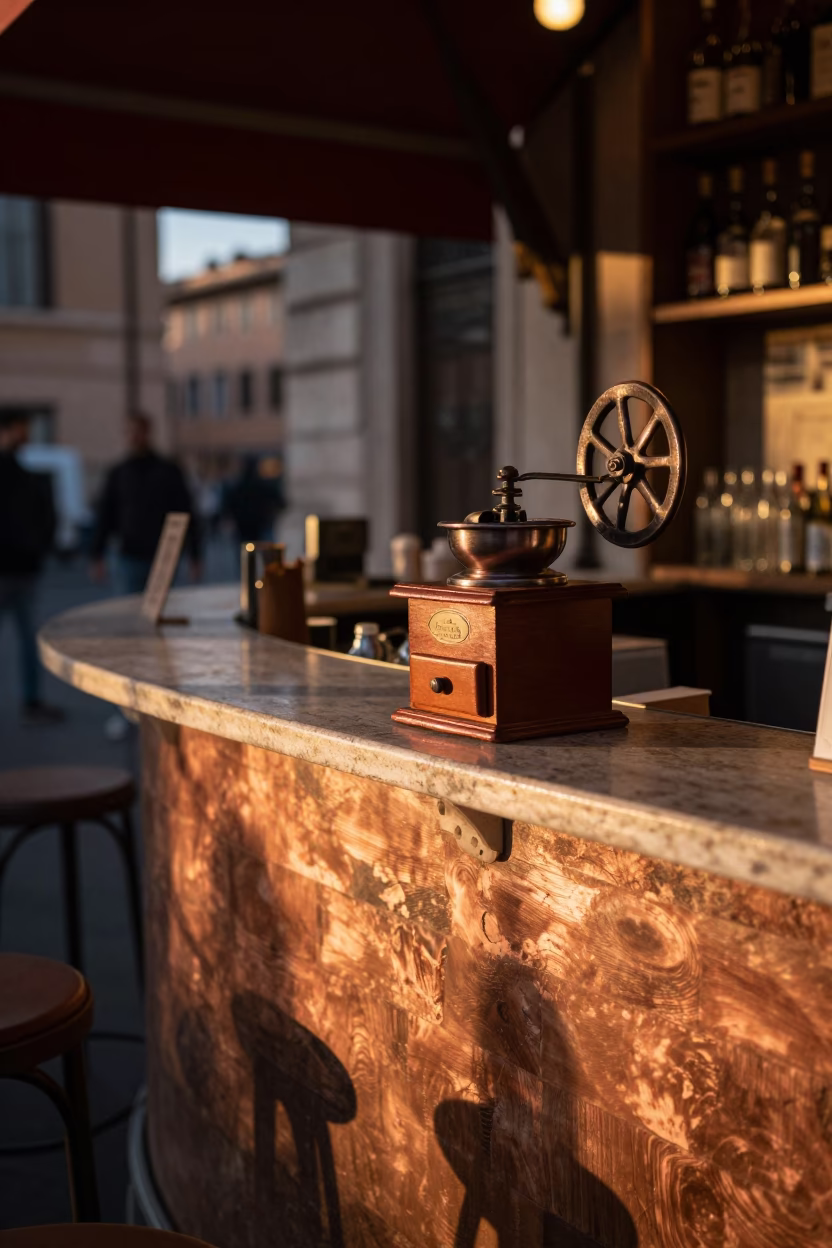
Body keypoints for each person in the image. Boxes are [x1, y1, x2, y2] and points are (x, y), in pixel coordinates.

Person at [0, 410, 64, 724]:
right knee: (27, 639)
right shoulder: (15, 473)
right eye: (20, 429)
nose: (25, 436)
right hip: (12, 568)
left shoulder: (23, 473)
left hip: (23, 570)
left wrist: (40, 544)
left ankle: (32, 701)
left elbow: (43, 514)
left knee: (29, 640)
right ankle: (32, 701)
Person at [91, 412, 202, 592]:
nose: (134, 437)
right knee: (131, 608)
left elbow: (185, 511)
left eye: (138, 431)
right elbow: (106, 514)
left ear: (147, 433)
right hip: (130, 552)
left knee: (160, 608)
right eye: (130, 432)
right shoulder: (119, 473)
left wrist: (195, 554)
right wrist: (97, 554)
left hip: (164, 552)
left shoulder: (168, 471)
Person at [223, 455, 285, 545]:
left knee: (245, 551)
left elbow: (229, 503)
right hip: (257, 525)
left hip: (247, 526)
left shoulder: (240, 487)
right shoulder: (260, 485)